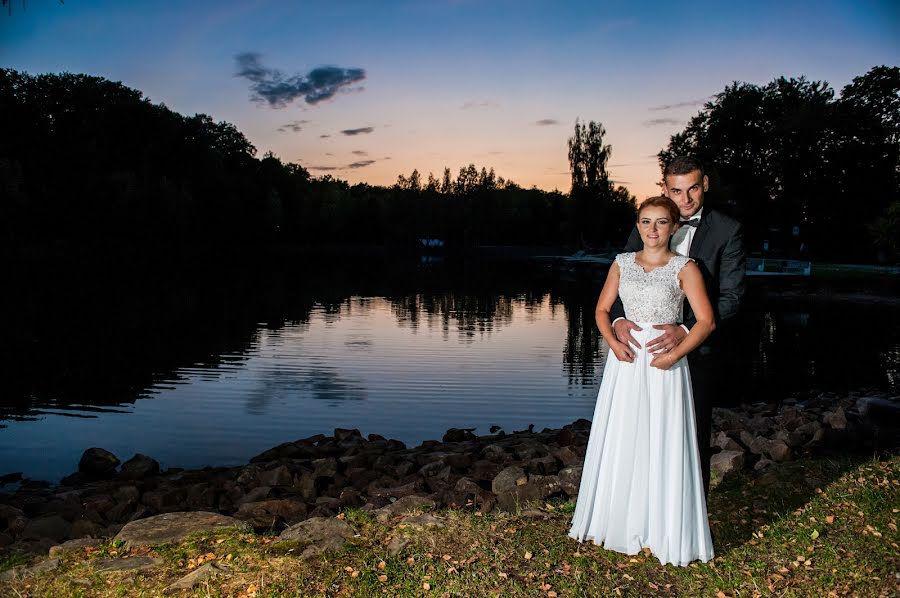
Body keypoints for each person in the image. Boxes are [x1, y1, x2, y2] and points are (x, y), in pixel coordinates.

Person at [568, 196, 716, 566]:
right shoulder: (621, 263)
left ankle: (662, 527)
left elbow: (706, 321)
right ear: (637, 225)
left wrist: (675, 354)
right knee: (625, 435)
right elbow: (602, 310)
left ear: (674, 227)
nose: (653, 229)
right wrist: (613, 342)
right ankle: (619, 520)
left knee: (663, 438)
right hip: (627, 363)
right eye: (646, 222)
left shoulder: (686, 268)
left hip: (665, 366)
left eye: (662, 222)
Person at [612, 156, 746, 495]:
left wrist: (686, 331)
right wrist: (618, 319)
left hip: (696, 347)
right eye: (676, 190)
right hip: (641, 349)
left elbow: (732, 296)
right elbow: (624, 273)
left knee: (689, 433)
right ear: (664, 188)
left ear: (706, 185)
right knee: (636, 428)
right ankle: (639, 500)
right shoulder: (649, 220)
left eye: (693, 189)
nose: (685, 200)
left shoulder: (727, 229)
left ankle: (688, 511)